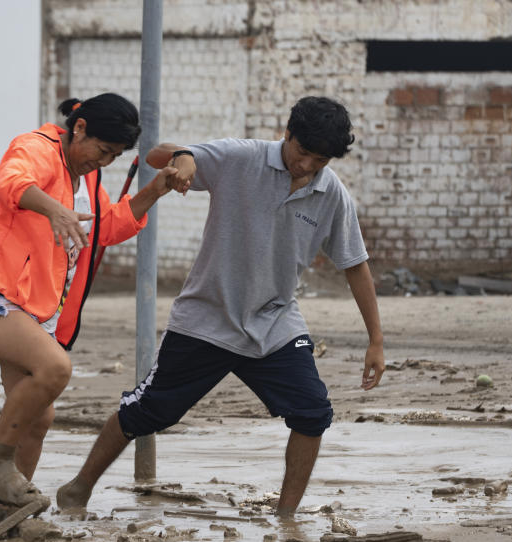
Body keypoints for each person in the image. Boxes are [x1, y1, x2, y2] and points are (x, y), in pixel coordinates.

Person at [55, 96, 385, 517]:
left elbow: (355, 265)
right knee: (149, 411)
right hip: (205, 320)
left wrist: (376, 339)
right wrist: (185, 160)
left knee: (312, 412)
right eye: (302, 152)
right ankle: (79, 488)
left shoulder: (331, 194)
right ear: (287, 134)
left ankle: (285, 519)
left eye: (319, 160)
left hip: (274, 322)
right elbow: (157, 154)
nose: (306, 166)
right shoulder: (241, 157)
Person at [0, 93, 178, 508]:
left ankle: (8, 509)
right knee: (55, 367)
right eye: (102, 151)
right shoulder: (38, 146)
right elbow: (9, 181)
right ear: (80, 128)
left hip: (36, 305)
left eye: (114, 156)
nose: (103, 162)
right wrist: (53, 208)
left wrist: (156, 190)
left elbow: (106, 228)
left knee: (39, 418)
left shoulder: (87, 177)